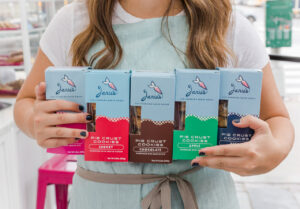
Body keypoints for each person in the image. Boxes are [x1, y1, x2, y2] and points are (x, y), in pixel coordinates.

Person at [13, 0, 295, 208]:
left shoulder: (228, 23)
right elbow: (25, 103)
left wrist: (273, 150)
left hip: (201, 197)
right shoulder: (73, 21)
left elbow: (277, 118)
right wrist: (34, 121)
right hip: (99, 199)